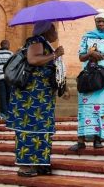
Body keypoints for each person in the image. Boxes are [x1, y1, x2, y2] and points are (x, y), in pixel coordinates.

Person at [6, 21, 69, 177]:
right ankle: (25, 166)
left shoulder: (45, 44)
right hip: (31, 96)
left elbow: (50, 68)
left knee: (42, 129)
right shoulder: (36, 41)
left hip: (42, 96)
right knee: (29, 129)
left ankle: (40, 164)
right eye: (53, 28)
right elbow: (33, 60)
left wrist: (63, 86)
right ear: (46, 30)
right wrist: (56, 55)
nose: (56, 32)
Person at [69, 9, 104, 151]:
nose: (101, 24)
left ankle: (98, 140)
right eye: (98, 21)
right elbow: (81, 57)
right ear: (95, 22)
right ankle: (81, 141)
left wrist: (102, 56)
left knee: (102, 110)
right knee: (85, 110)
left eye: (103, 21)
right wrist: (90, 53)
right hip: (89, 76)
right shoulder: (87, 36)